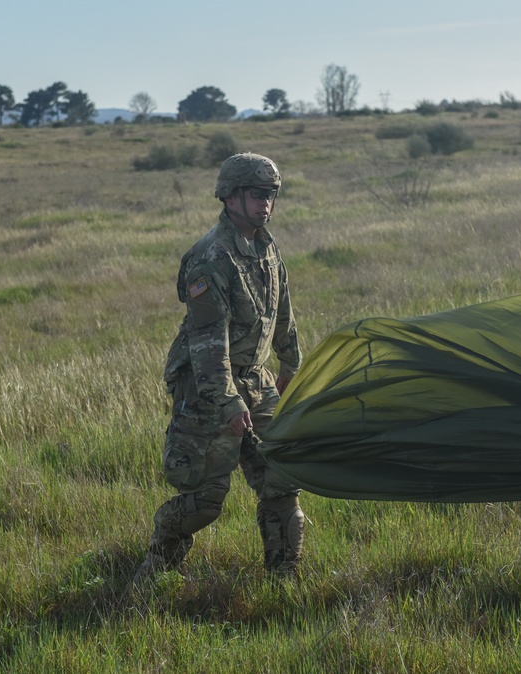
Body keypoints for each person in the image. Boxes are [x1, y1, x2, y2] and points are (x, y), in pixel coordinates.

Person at [135, 153, 304, 580]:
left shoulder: (265, 244)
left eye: (270, 194)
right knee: (207, 501)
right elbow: (208, 344)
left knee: (282, 480)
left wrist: (291, 361)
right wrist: (229, 405)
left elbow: (281, 308)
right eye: (255, 194)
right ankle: (160, 555)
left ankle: (284, 578)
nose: (265, 203)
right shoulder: (211, 258)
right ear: (229, 197)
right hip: (208, 385)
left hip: (254, 378)